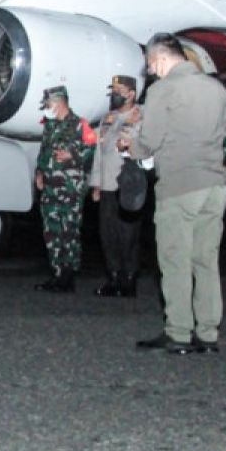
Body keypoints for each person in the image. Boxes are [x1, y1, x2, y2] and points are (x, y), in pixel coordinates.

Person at [128, 33, 226, 355]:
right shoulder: (217, 89)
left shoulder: (163, 89)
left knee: (175, 260)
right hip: (214, 183)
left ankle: (179, 332)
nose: (152, 73)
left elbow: (151, 140)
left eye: (150, 66)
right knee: (206, 260)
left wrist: (129, 146)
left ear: (159, 59)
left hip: (181, 184)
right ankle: (209, 333)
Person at [33, 85, 95, 293]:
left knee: (69, 231)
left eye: (49, 104)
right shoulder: (50, 126)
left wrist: (73, 156)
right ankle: (57, 272)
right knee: (52, 231)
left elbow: (92, 147)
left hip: (70, 188)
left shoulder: (79, 124)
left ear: (59, 103)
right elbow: (44, 151)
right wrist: (39, 172)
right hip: (50, 187)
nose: (46, 108)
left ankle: (68, 275)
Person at [89, 76, 144, 297]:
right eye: (113, 90)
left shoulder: (141, 117)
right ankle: (113, 277)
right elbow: (98, 153)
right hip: (108, 184)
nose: (115, 94)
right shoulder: (107, 119)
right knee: (107, 233)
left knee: (128, 234)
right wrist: (96, 184)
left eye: (119, 90)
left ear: (131, 93)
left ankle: (129, 279)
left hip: (128, 186)